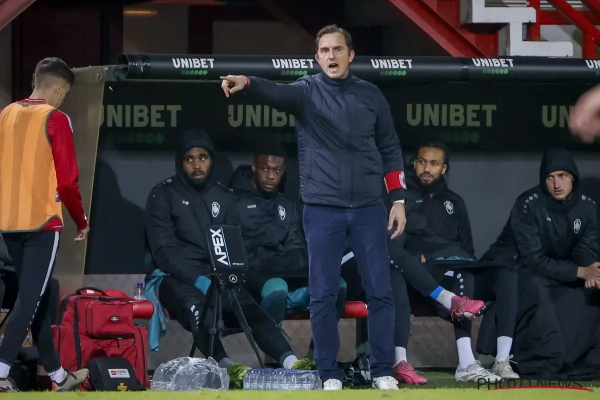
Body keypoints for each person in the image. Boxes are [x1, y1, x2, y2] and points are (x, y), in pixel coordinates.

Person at [220, 24, 405, 391]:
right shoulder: (306, 91)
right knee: (322, 293)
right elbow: (275, 91)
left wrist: (398, 199)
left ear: (351, 55)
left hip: (369, 208)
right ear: (317, 57)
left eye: (338, 49)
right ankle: (328, 374)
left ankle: (383, 370)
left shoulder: (371, 95)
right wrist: (247, 82)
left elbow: (390, 148)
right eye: (324, 50)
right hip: (323, 209)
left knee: (380, 291)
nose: (331, 56)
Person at [144, 129, 313, 389]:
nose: (197, 165)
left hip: (216, 274)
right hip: (173, 277)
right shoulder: (162, 194)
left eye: (203, 158)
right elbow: (163, 253)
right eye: (189, 159)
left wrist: (227, 277)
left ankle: (291, 363)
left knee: (251, 309)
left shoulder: (223, 196)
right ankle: (227, 366)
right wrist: (198, 280)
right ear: (180, 162)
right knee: (201, 310)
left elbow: (231, 243)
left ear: (211, 160)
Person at [387, 142, 519, 383]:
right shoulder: (401, 201)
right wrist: (417, 256)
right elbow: (395, 245)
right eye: (422, 162)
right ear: (414, 163)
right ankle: (466, 363)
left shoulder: (455, 202)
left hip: (459, 265)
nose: (427, 169)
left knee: (506, 274)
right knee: (463, 276)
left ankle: (502, 360)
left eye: (434, 164)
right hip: (425, 276)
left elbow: (468, 248)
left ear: (444, 168)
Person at [0, 58, 90, 392]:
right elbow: (67, 181)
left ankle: (57, 375)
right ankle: (1, 369)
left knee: (35, 295)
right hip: (42, 221)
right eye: (65, 94)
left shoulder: (6, 114)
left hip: (9, 222)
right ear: (60, 87)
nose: (63, 100)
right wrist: (81, 220)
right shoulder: (55, 118)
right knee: (31, 298)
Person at [487, 148, 600, 380]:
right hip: (513, 269)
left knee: (590, 294)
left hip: (554, 270)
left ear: (573, 178)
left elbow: (584, 249)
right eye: (550, 177)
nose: (557, 184)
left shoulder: (587, 206)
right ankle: (540, 361)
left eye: (563, 176)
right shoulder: (528, 204)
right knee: (536, 289)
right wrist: (580, 271)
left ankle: (580, 362)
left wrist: (594, 271)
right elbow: (532, 260)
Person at [228, 147, 347, 358]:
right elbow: (237, 255)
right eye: (265, 169)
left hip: (286, 274)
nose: (271, 176)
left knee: (337, 284)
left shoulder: (287, 207)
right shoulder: (232, 202)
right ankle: (277, 359)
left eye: (277, 171)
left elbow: (297, 250)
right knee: (277, 288)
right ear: (254, 167)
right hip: (251, 281)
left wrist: (287, 264)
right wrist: (276, 264)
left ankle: (318, 357)